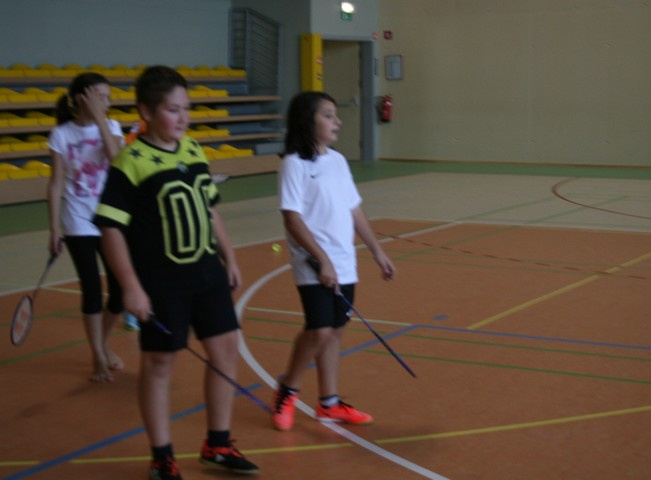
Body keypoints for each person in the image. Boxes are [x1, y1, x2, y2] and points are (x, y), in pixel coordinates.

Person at [93, 66, 258, 479]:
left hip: (207, 274)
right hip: (162, 282)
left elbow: (210, 209)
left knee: (225, 351)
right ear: (146, 112)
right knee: (160, 364)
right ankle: (161, 456)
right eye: (172, 110)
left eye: (186, 108)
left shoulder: (194, 149)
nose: (183, 117)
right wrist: (131, 287)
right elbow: (110, 228)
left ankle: (217, 444)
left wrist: (229, 256)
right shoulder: (130, 162)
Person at [271, 91, 396, 431]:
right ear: (307, 121)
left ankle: (329, 403)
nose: (336, 121)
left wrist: (377, 251)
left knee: (335, 331)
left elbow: (354, 209)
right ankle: (287, 391)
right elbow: (292, 218)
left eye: (335, 114)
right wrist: (322, 259)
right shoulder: (294, 164)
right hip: (313, 263)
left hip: (344, 261)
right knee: (318, 330)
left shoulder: (338, 161)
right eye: (327, 115)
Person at [47, 72, 125, 383]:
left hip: (109, 216)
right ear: (81, 98)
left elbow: (117, 160)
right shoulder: (61, 134)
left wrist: (100, 119)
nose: (107, 102)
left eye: (108, 97)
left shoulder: (112, 127)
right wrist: (54, 229)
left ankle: (102, 344)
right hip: (77, 218)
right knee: (91, 288)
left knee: (119, 291)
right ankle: (97, 355)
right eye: (100, 96)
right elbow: (55, 184)